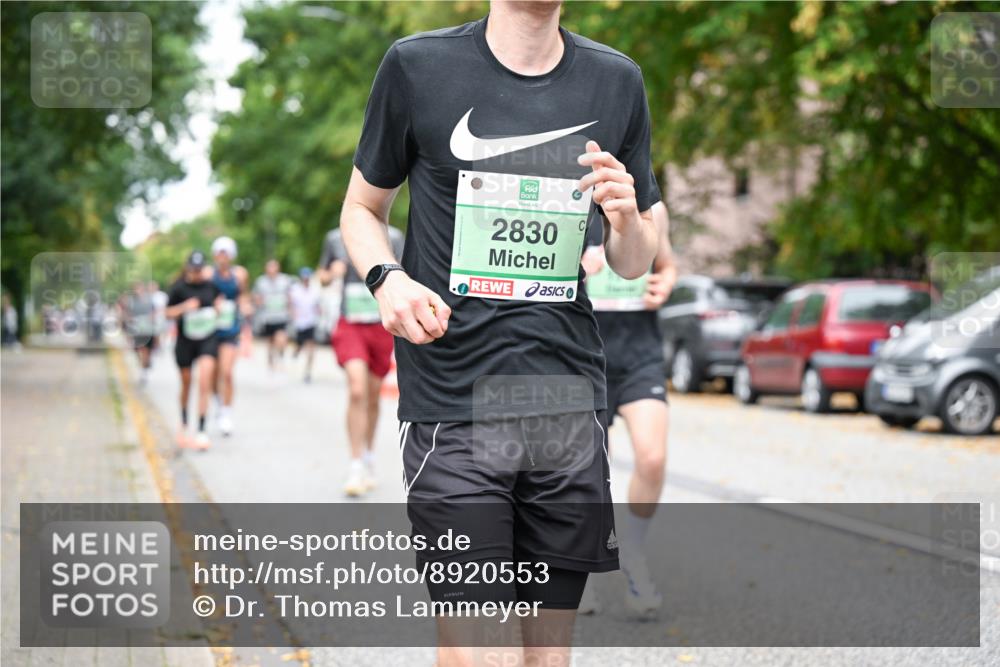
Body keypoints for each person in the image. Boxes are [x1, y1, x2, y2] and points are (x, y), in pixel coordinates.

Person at [339, 1, 660, 663]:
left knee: (547, 656)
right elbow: (362, 208)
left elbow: (632, 259)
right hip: (455, 402)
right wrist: (387, 279)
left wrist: (628, 222)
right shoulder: (419, 67)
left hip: (566, 406)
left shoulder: (617, 81)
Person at [580, 199, 675, 617]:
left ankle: (632, 553)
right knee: (587, 473)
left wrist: (664, 284)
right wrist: (578, 270)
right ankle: (579, 565)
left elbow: (666, 265)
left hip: (640, 353)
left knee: (652, 458)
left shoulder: (653, 207)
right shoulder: (568, 202)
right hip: (584, 353)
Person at [318, 224, 405, 496]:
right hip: (350, 322)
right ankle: (355, 465)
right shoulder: (335, 237)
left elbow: (406, 276)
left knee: (373, 396)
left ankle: (368, 455)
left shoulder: (395, 237)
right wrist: (331, 273)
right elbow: (321, 275)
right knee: (357, 389)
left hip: (380, 324)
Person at [166, 251, 222, 450]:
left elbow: (219, 303)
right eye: (194, 269)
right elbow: (167, 312)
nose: (197, 273)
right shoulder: (178, 287)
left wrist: (218, 309)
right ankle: (183, 422)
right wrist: (184, 308)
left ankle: (201, 429)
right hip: (185, 342)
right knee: (187, 383)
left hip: (207, 339)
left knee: (205, 381)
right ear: (188, 267)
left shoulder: (211, 286)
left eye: (200, 269)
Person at [208, 236, 251, 436]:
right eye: (219, 252)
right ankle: (218, 401)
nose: (222, 257)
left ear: (231, 255)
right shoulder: (209, 275)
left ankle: (226, 413)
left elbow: (242, 295)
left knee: (227, 372)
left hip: (231, 330)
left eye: (226, 252)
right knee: (212, 375)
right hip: (211, 330)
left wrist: (245, 305)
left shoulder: (240, 274)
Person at [253, 259, 293, 370]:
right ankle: (270, 360)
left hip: (281, 316)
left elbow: (290, 296)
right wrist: (259, 302)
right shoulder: (261, 282)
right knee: (270, 340)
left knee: (281, 338)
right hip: (267, 317)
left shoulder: (285, 280)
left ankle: (280, 354)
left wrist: (291, 309)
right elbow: (256, 297)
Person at [290, 267, 321, 383]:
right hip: (299, 323)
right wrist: (292, 314)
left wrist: (320, 312)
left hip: (311, 322)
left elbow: (318, 305)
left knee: (311, 348)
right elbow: (290, 304)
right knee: (299, 345)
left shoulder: (315, 290)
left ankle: (308, 372)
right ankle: (296, 351)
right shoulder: (295, 290)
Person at [124, 281, 158, 384]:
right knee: (140, 350)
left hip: (147, 329)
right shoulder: (131, 302)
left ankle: (145, 368)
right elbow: (127, 314)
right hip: (137, 330)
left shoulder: (149, 300)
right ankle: (143, 368)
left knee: (146, 350)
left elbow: (154, 312)